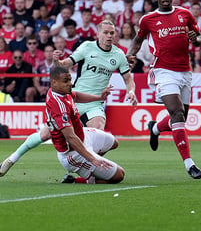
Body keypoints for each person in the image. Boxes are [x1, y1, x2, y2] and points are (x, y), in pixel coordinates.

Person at [0, 21, 138, 178]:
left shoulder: (118, 55)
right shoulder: (87, 47)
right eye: (105, 32)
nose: (109, 36)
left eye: (112, 33)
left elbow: (128, 79)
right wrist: (57, 61)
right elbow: (65, 64)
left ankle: (87, 170)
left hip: (95, 102)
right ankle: (11, 159)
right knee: (45, 134)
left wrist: (131, 91)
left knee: (99, 132)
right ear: (98, 34)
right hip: (74, 98)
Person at [126, 0, 201, 179]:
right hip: (163, 71)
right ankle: (189, 164)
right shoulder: (148, 19)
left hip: (185, 72)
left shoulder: (185, 14)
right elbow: (138, 39)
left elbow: (199, 39)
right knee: (177, 113)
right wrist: (129, 55)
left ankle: (155, 128)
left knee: (181, 118)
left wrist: (196, 39)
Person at [45, 66, 125, 184]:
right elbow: (71, 138)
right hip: (72, 152)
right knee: (119, 175)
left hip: (83, 135)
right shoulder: (58, 106)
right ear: (54, 82)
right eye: (66, 81)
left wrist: (99, 97)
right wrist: (92, 159)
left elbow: (76, 95)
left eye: (70, 79)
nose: (70, 84)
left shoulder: (60, 91)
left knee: (113, 142)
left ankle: (92, 167)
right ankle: (82, 179)